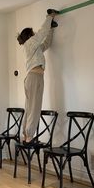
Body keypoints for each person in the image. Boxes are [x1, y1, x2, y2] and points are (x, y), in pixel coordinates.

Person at [17, 9, 59, 144]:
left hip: (33, 78)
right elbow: (41, 33)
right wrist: (49, 17)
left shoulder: (33, 48)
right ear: (30, 36)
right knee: (34, 108)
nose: (35, 33)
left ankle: (26, 135)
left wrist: (51, 29)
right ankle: (29, 136)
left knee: (30, 107)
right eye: (33, 33)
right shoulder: (29, 44)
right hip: (34, 78)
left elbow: (46, 44)